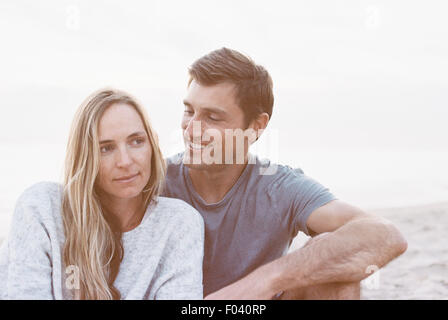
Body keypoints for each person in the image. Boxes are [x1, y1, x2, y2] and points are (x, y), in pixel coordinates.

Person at [162, 47, 408, 299]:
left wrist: (264, 281)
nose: (191, 130)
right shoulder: (154, 181)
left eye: (213, 117)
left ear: (256, 126)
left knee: (335, 271)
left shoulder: (279, 187)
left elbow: (386, 236)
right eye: (189, 111)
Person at [0, 88, 204, 300]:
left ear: (152, 145)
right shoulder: (41, 209)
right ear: (85, 157)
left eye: (136, 141)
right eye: (106, 148)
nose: (125, 161)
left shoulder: (178, 223)